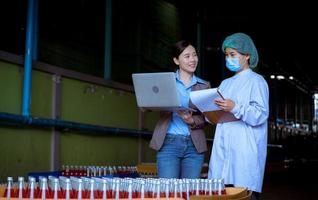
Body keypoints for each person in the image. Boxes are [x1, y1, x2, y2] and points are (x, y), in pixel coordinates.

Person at [208, 33, 269, 199]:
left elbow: (260, 115)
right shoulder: (225, 83)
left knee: (244, 194)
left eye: (233, 54)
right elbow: (217, 114)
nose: (229, 59)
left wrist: (236, 107)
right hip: (222, 151)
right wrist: (208, 113)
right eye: (227, 55)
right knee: (222, 193)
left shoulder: (257, 81)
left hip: (245, 153)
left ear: (247, 55)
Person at [149, 40, 210, 179]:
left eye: (194, 55)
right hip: (168, 143)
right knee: (168, 192)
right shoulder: (164, 82)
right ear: (176, 60)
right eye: (187, 56)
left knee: (189, 193)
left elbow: (208, 118)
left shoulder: (204, 86)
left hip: (194, 146)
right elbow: (145, 107)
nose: (192, 59)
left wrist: (191, 120)